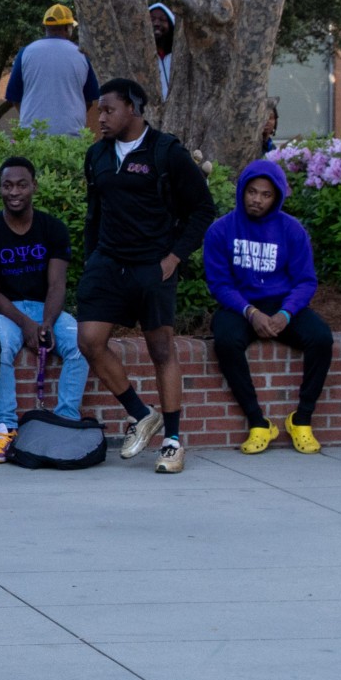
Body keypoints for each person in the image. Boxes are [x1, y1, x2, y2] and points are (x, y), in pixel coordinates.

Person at [77, 77, 218, 474]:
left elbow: (202, 209)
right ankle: (141, 414)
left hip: (152, 265)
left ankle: (172, 441)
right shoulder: (96, 156)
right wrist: (93, 260)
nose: (100, 117)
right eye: (98, 110)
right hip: (108, 263)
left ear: (133, 110)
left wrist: (173, 258)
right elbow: (95, 213)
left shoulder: (166, 152)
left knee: (161, 351)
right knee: (89, 340)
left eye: (108, 110)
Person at [204, 159, 332, 454]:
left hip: (283, 303)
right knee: (225, 340)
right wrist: (251, 312)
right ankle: (258, 422)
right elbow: (220, 284)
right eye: (252, 192)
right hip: (241, 305)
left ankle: (301, 420)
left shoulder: (292, 230)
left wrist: (286, 313)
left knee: (321, 338)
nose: (257, 199)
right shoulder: (220, 231)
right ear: (242, 191)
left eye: (265, 194)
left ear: (276, 198)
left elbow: (306, 281)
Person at [0, 156, 87, 458]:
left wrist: (48, 322)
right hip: (5, 311)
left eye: (21, 185)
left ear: (34, 187)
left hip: (46, 308)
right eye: (7, 185)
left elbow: (57, 285)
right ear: (0, 189)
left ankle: (66, 420)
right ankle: (5, 428)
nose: (14, 192)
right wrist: (26, 324)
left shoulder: (52, 228)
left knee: (81, 343)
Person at [4, 4, 100, 137]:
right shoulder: (82, 55)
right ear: (68, 28)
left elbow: (14, 97)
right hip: (72, 137)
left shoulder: (25, 53)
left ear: (45, 28)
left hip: (32, 137)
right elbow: (90, 99)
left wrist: (30, 118)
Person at [148, 3, 176, 98]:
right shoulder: (141, 59)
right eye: (151, 19)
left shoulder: (178, 56)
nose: (156, 24)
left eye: (163, 20)